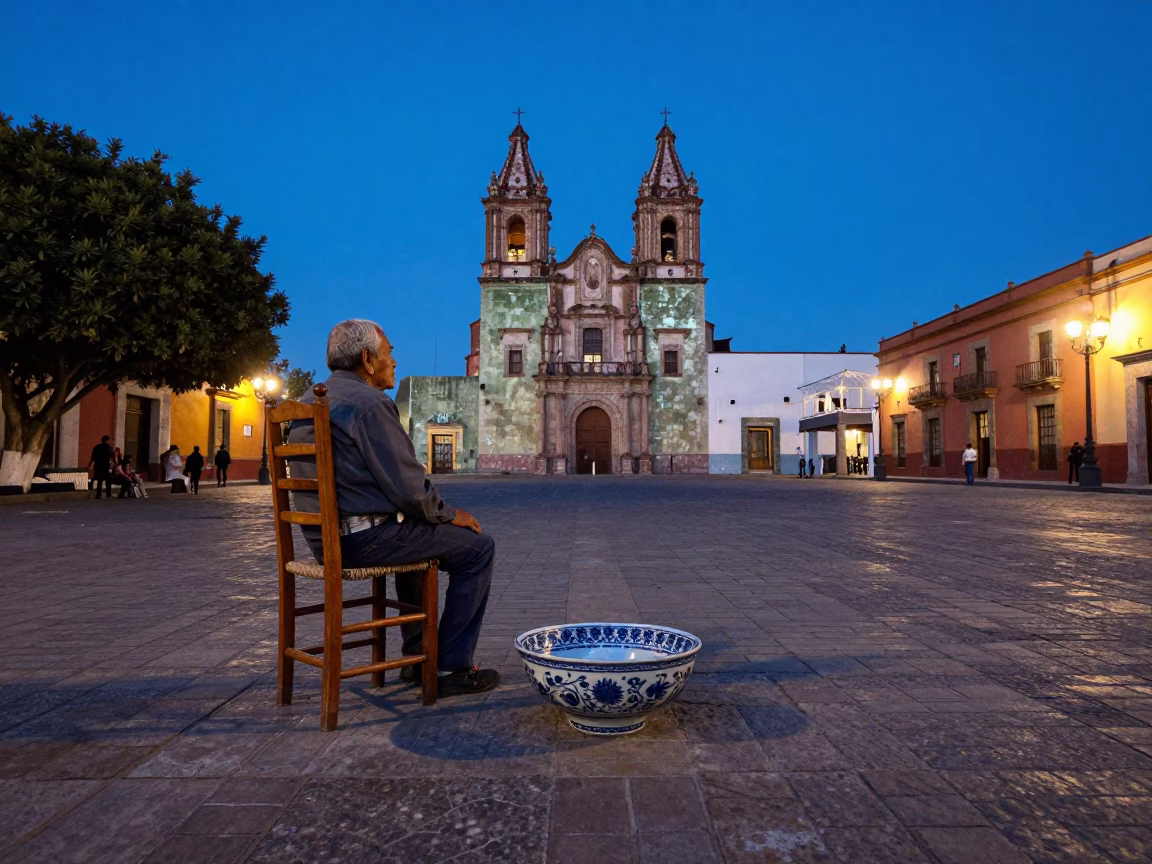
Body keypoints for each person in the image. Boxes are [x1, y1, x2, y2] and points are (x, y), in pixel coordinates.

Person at [287, 319, 499, 698]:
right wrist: (450, 514)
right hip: (362, 540)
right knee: (478, 549)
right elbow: (409, 487)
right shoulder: (369, 404)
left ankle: (418, 658)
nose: (395, 362)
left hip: (323, 540)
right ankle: (450, 665)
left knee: (419, 536)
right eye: (390, 354)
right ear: (368, 360)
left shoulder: (306, 401)